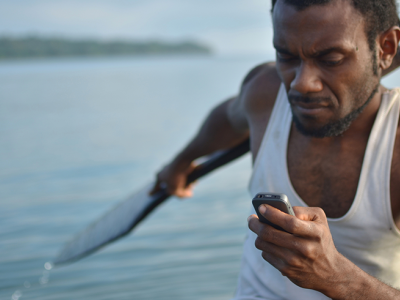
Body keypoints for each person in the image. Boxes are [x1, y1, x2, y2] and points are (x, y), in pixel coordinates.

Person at [151, 0, 400, 298]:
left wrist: (336, 277)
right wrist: (181, 162)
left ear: (386, 48)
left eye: (331, 59)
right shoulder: (266, 94)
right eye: (286, 56)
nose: (301, 84)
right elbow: (229, 118)